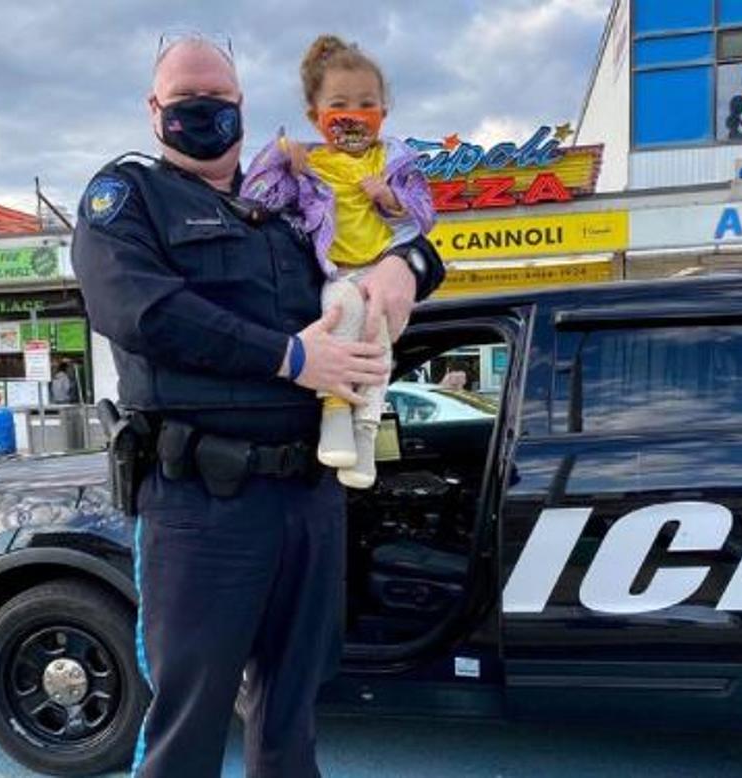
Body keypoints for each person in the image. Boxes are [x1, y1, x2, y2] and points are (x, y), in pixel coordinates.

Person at [71, 32, 444, 778]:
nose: (204, 112)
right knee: (189, 718)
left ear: (243, 106)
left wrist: (408, 266)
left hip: (307, 497)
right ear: (155, 110)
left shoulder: (290, 201)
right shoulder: (129, 198)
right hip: (201, 505)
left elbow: (398, 238)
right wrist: (292, 357)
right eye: (186, 100)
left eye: (220, 99)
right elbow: (139, 310)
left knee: (290, 712)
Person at [242, 34, 435, 489]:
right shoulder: (312, 164)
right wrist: (280, 158)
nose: (355, 114)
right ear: (316, 115)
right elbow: (256, 198)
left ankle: (364, 436)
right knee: (341, 313)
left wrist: (390, 197)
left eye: (367, 102)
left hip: (382, 266)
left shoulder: (397, 160)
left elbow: (426, 216)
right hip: (337, 271)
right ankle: (334, 415)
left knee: (377, 340)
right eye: (341, 103)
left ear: (383, 112)